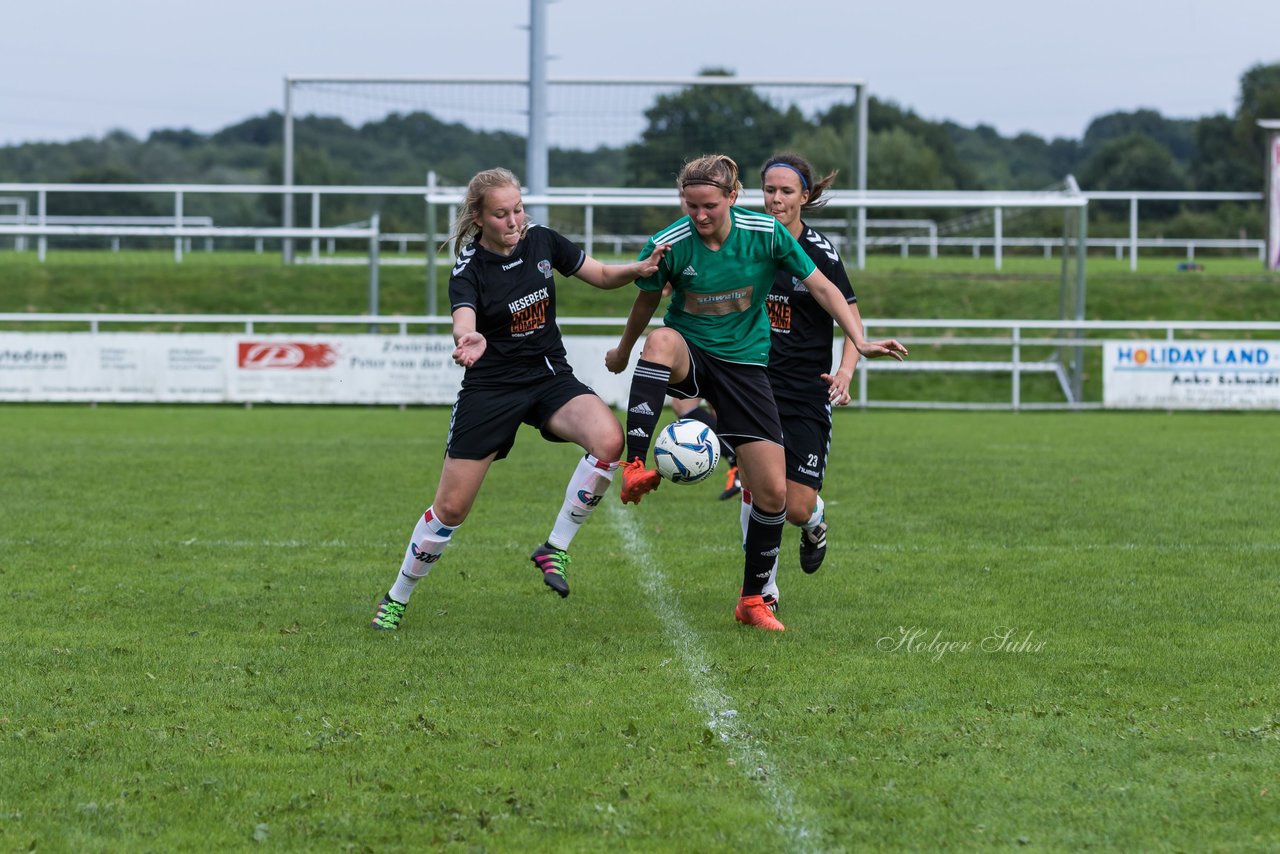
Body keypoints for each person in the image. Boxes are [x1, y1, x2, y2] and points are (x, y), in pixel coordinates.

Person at [605, 154, 906, 632]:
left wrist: (860, 344)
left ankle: (752, 601)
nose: (700, 216)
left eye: (709, 206)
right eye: (690, 206)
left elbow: (827, 290)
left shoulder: (768, 237)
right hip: (698, 356)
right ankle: (636, 464)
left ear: (732, 197)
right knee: (661, 340)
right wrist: (623, 351)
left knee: (775, 496)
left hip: (752, 374)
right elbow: (645, 300)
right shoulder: (671, 244)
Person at [371, 167, 668, 630]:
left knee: (609, 441)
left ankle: (554, 548)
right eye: (502, 214)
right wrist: (469, 338)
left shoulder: (543, 240)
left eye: (518, 209)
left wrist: (638, 269)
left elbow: (603, 275)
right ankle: (396, 597)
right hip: (491, 389)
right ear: (479, 217)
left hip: (549, 376)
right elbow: (463, 318)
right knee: (451, 509)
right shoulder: (469, 268)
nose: (514, 221)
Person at [747, 152, 863, 613]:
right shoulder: (749, 243)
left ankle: (814, 522)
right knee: (759, 488)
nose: (776, 199)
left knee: (795, 506)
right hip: (755, 385)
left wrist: (846, 371)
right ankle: (762, 591)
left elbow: (852, 319)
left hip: (806, 392)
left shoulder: (820, 254)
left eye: (786, 191)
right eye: (770, 190)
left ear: (805, 196)